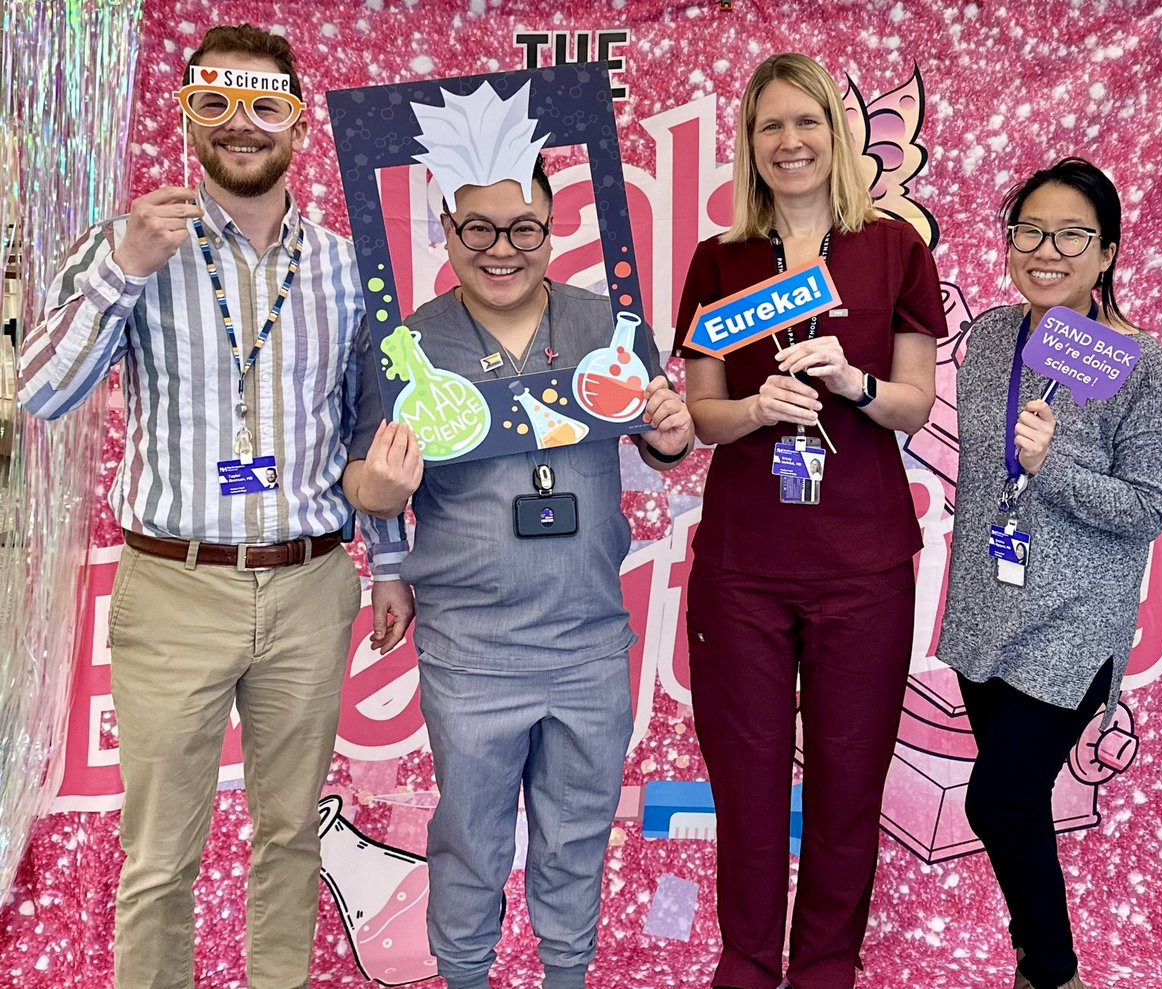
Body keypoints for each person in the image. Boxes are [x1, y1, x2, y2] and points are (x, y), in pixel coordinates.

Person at [17, 24, 407, 989]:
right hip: (175, 586)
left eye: (265, 105)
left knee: (289, 839)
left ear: (298, 124)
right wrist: (123, 268)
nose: (242, 126)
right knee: (159, 858)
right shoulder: (132, 242)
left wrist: (390, 561)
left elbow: (371, 424)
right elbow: (37, 393)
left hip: (312, 581)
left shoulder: (345, 265)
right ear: (189, 115)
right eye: (217, 104)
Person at [345, 155, 693, 989]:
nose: (502, 248)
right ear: (448, 231)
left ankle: (566, 975)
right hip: (471, 651)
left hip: (588, 642)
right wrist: (380, 491)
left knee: (577, 838)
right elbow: (361, 477)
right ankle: (465, 975)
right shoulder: (405, 342)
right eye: (478, 229)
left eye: (524, 228)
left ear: (551, 226)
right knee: (471, 840)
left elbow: (661, 442)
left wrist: (673, 430)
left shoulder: (605, 326)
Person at [672, 53, 946, 989]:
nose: (789, 142)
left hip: (864, 564)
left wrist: (853, 384)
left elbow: (913, 405)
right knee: (746, 791)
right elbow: (700, 413)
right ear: (748, 146)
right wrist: (759, 410)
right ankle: (746, 969)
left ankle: (827, 968)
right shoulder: (720, 261)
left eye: (806, 123)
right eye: (769, 126)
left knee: (846, 788)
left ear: (838, 133)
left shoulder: (894, 250)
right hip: (744, 568)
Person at [937, 158, 1162, 989]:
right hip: (987, 606)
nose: (1047, 250)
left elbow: (1149, 510)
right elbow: (978, 475)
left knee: (997, 799)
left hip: (1073, 623)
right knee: (1019, 802)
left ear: (1108, 251)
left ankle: (1053, 974)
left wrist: (1055, 467)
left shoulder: (1144, 367)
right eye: (1030, 232)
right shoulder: (992, 340)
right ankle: (1038, 967)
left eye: (1072, 234)